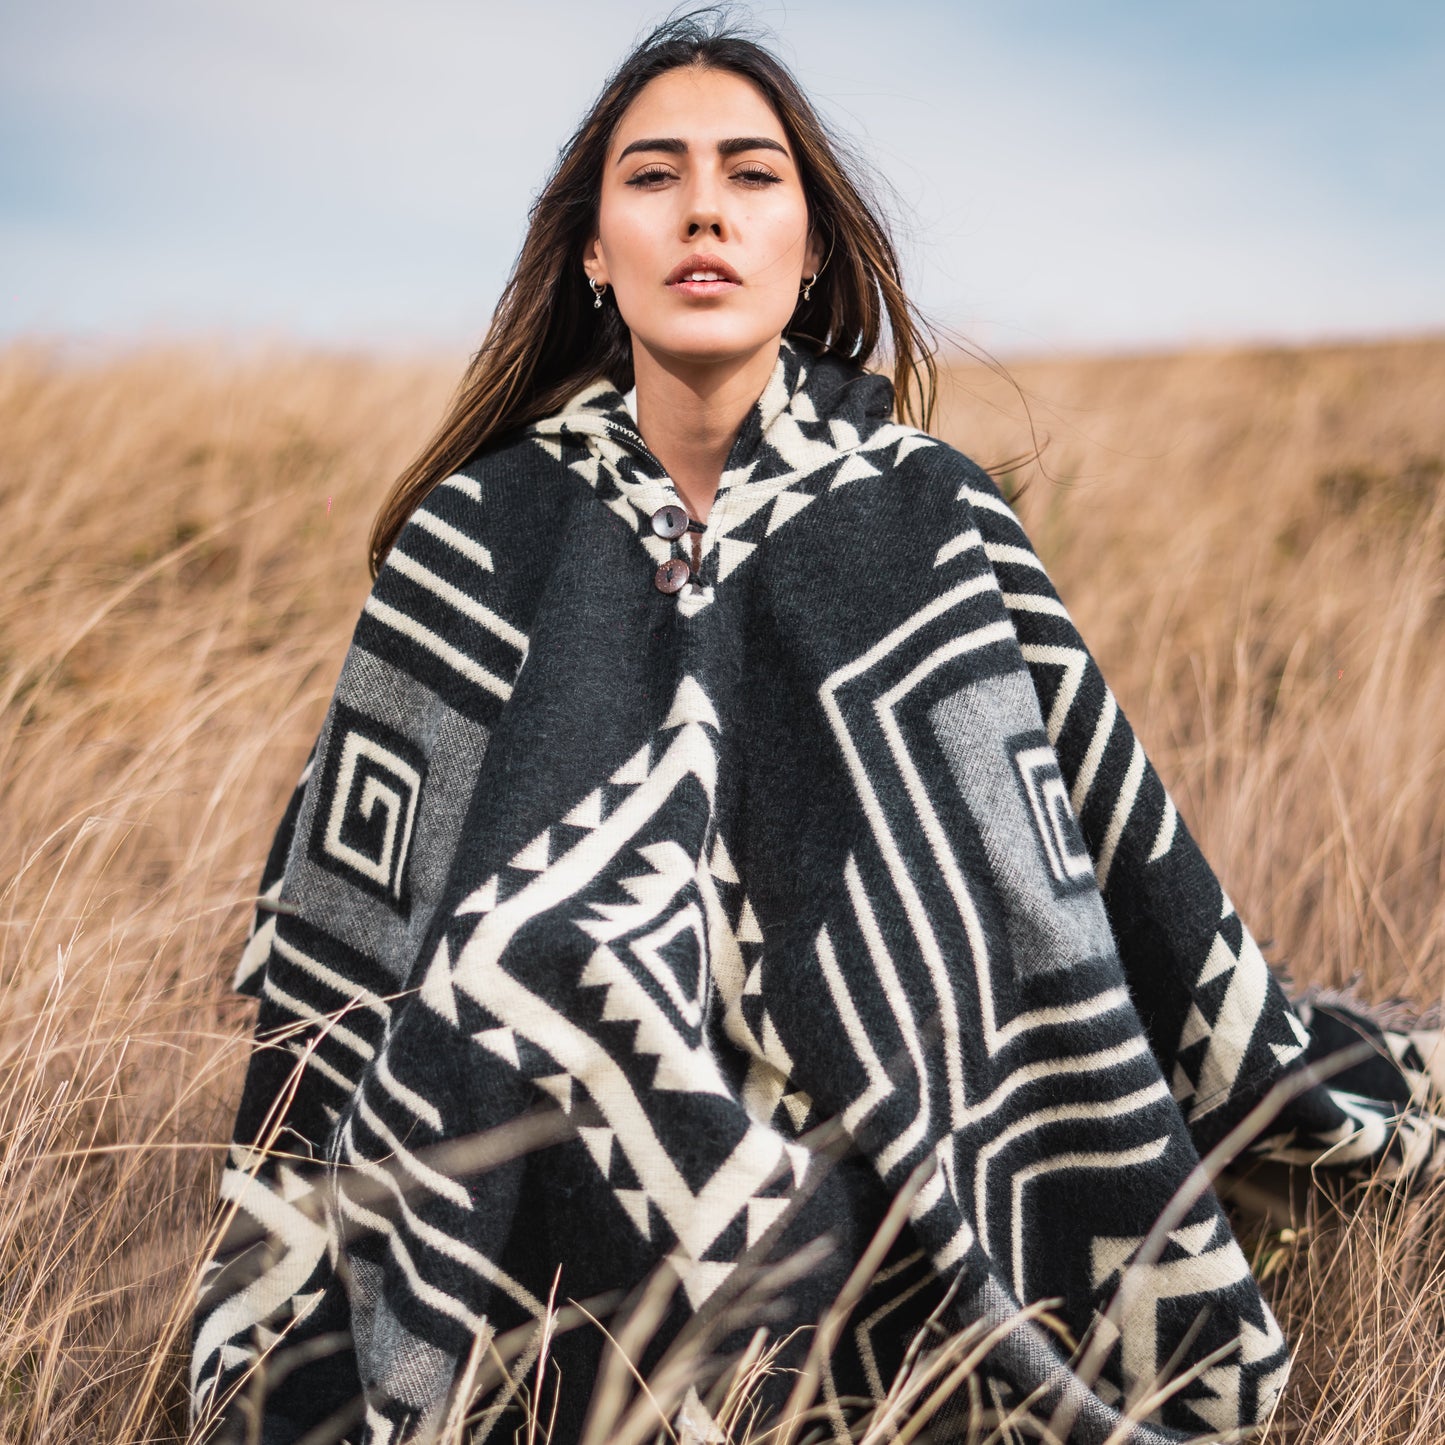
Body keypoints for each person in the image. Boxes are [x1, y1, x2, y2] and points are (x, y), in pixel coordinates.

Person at [189, 13, 1445, 1445]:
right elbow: (355, 950)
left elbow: (1052, 878)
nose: (704, 208)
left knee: (871, 1084)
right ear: (593, 251)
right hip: (535, 1116)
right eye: (652, 177)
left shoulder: (923, 511)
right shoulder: (479, 533)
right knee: (507, 995)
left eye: (750, 174)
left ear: (812, 247)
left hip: (890, 1087)